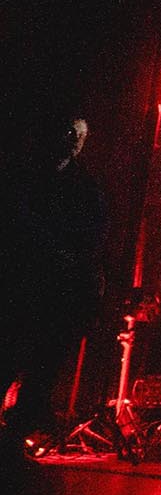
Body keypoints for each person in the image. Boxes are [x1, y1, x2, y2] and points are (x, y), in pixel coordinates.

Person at [2, 113, 107, 446]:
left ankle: (16, 436)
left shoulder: (87, 189)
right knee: (9, 355)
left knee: (43, 369)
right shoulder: (23, 180)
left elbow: (93, 239)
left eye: (79, 136)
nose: (75, 141)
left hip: (59, 293)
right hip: (21, 286)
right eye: (69, 134)